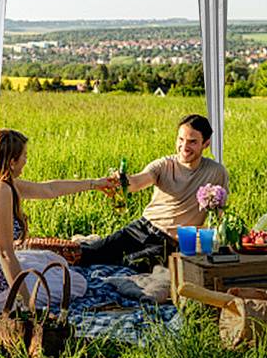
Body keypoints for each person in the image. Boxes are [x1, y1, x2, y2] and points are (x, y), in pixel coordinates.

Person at [0, 128, 114, 313]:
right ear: (12, 162)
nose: (26, 161)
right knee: (77, 283)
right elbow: (4, 253)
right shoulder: (1, 191)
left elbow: (49, 189)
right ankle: (16, 299)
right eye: (25, 156)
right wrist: (25, 303)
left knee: (52, 258)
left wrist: (95, 184)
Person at [77, 114, 228, 268]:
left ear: (206, 143)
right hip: (141, 227)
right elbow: (137, 182)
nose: (184, 147)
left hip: (168, 243)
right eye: (181, 139)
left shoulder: (216, 172)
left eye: (192, 142)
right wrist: (123, 180)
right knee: (91, 253)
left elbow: (219, 215)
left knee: (128, 264)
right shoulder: (164, 164)